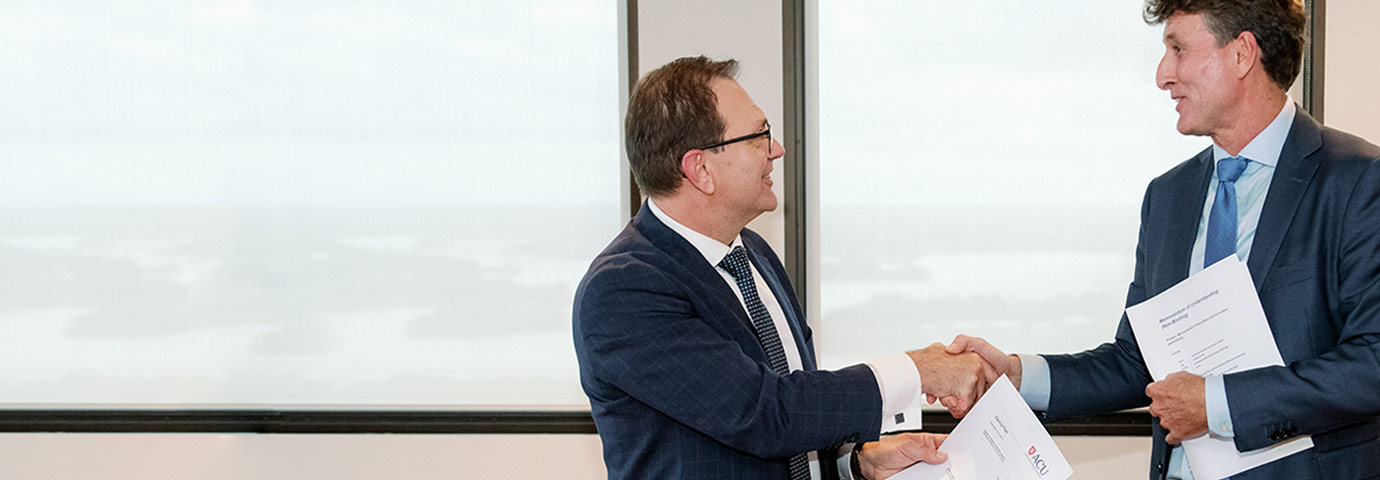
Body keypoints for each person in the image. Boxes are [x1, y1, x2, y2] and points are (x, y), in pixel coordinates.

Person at [948, 0, 1380, 478]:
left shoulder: (1359, 181)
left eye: (1178, 49)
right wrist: (1017, 374)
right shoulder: (1168, 196)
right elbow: (1137, 362)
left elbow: (1373, 361)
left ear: (1242, 54)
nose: (1162, 75)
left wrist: (1216, 403)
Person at [573, 56, 993, 480]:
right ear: (700, 169)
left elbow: (792, 427)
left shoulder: (753, 252)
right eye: (759, 136)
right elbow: (761, 413)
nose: (777, 150)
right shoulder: (623, 289)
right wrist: (918, 370)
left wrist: (856, 464)